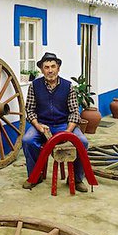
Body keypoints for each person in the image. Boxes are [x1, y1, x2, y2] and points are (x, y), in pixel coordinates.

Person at [22, 52, 89, 192]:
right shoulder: (34, 86)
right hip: (42, 125)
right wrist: (38, 126)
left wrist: (67, 132)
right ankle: (35, 176)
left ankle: (77, 179)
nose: (50, 70)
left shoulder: (68, 86)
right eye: (46, 67)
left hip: (64, 125)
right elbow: (29, 110)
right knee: (28, 140)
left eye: (53, 66)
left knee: (82, 142)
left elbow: (74, 112)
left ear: (58, 68)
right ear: (41, 70)